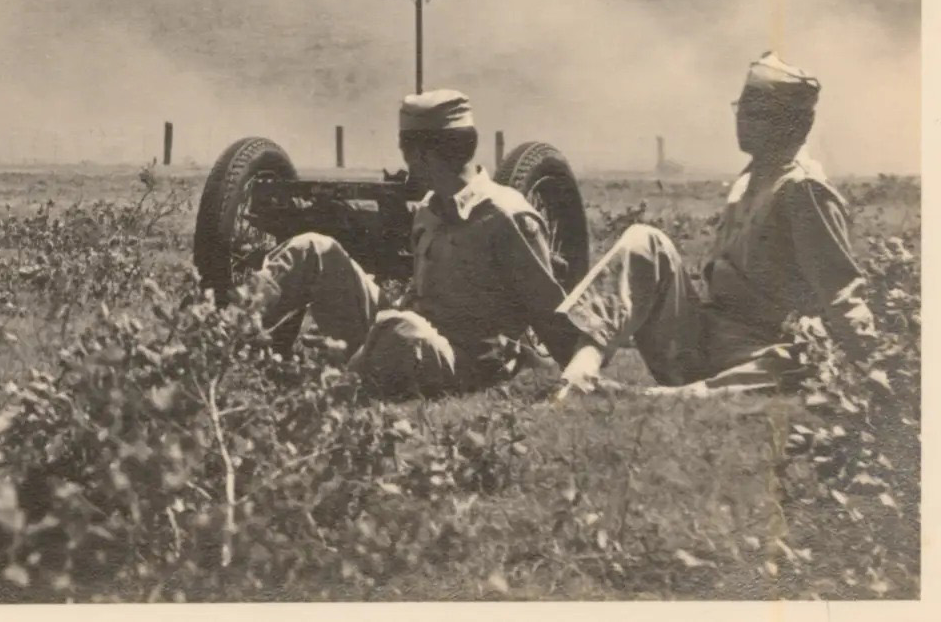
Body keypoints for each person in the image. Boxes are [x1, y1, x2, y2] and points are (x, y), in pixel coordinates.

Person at [559, 53, 872, 396]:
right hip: (703, 337)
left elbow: (842, 291)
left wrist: (873, 367)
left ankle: (649, 397)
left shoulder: (803, 190)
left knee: (797, 364)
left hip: (758, 348)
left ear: (790, 122)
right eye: (742, 110)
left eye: (756, 114)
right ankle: (582, 368)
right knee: (645, 240)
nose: (742, 122)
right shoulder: (753, 176)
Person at [249, 89, 576, 398]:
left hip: (463, 364)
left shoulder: (506, 216)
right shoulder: (428, 210)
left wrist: (578, 372)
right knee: (313, 248)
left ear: (426, 155)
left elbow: (550, 312)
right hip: (409, 337)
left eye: (410, 155)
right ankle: (220, 341)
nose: (409, 166)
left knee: (398, 327)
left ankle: (332, 387)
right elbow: (419, 295)